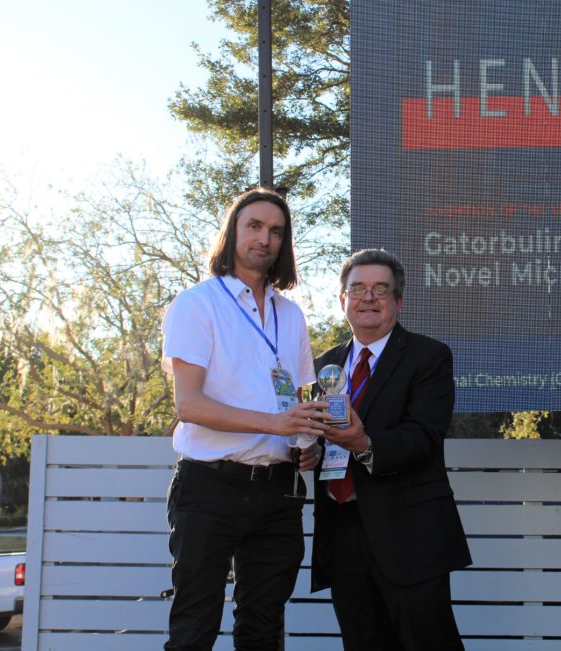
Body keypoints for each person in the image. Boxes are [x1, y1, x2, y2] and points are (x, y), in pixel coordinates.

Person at [161, 187, 329, 650]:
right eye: (254, 226)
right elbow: (188, 406)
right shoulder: (197, 303)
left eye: (276, 231)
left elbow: (296, 400)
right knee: (194, 627)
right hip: (210, 487)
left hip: (279, 491)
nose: (265, 238)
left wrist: (307, 444)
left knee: (263, 629)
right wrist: (274, 425)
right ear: (232, 231)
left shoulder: (290, 315)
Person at [312, 248, 472, 651]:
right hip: (343, 532)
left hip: (409, 536)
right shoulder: (323, 367)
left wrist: (364, 444)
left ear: (398, 301)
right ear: (342, 300)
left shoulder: (429, 357)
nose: (368, 298)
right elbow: (318, 440)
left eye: (380, 290)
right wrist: (308, 454)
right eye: (358, 289)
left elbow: (423, 437)